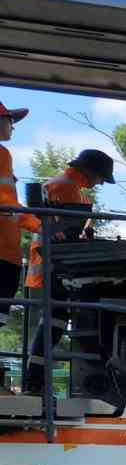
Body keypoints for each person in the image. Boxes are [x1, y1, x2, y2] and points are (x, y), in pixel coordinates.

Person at [20, 149, 113, 394]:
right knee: (52, 324)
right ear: (89, 171)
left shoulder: (66, 187)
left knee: (55, 324)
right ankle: (34, 382)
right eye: (101, 177)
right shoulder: (65, 187)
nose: (101, 182)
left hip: (53, 266)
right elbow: (63, 232)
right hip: (54, 266)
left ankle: (35, 380)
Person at [0, 102, 26, 392]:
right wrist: (39, 224)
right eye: (10, 120)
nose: (12, 126)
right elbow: (7, 202)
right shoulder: (1, 154)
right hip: (3, 253)